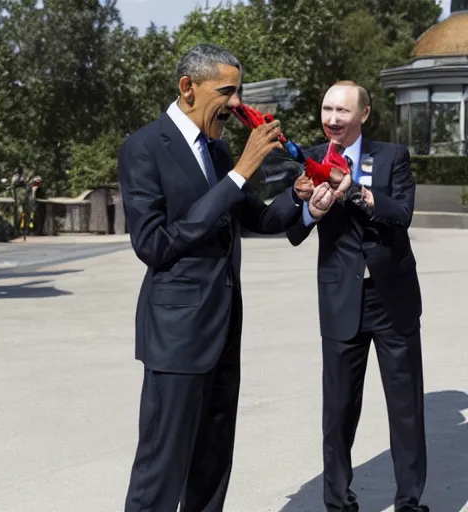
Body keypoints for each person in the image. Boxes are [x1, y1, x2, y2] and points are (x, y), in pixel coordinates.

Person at [118, 43, 314, 512]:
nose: (235, 103)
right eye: (226, 91)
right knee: (161, 471)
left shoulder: (218, 149)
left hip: (225, 329)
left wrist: (302, 199)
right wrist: (242, 173)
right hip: (177, 335)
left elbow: (258, 220)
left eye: (238, 92)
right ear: (187, 88)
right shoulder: (144, 147)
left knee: (212, 463)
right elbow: (154, 245)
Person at [286, 81, 428, 512]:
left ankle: (409, 501)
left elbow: (400, 214)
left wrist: (359, 193)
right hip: (340, 300)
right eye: (327, 109)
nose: (332, 119)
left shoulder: (392, 157)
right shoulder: (308, 161)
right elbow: (293, 230)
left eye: (342, 111)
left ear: (364, 114)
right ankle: (337, 501)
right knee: (339, 411)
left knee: (406, 409)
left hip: (392, 299)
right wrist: (307, 204)